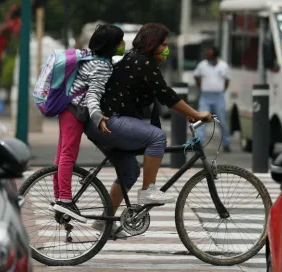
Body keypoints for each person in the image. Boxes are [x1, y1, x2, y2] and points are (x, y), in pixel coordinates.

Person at [84, 23, 212, 233]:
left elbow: (163, 97)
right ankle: (147, 190)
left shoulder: (136, 59)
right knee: (157, 137)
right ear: (152, 44)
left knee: (129, 172)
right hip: (108, 121)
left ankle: (104, 221)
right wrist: (196, 114)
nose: (166, 48)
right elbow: (167, 95)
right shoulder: (142, 63)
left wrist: (189, 113)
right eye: (163, 44)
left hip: (101, 123)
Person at [51, 25, 126, 220]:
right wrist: (98, 117)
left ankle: (59, 197)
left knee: (61, 155)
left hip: (67, 108)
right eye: (120, 41)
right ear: (112, 45)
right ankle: (65, 200)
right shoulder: (101, 65)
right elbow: (93, 94)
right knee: (68, 154)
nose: (122, 44)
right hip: (76, 111)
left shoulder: (90, 57)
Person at [193, 47, 231, 152]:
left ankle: (226, 143)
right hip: (205, 96)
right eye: (207, 56)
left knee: (222, 121)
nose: (208, 58)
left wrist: (222, 90)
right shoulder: (202, 65)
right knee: (201, 120)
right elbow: (196, 76)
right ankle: (199, 143)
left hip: (218, 97)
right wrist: (200, 86)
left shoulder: (223, 66)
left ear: (215, 56)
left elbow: (227, 80)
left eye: (210, 56)